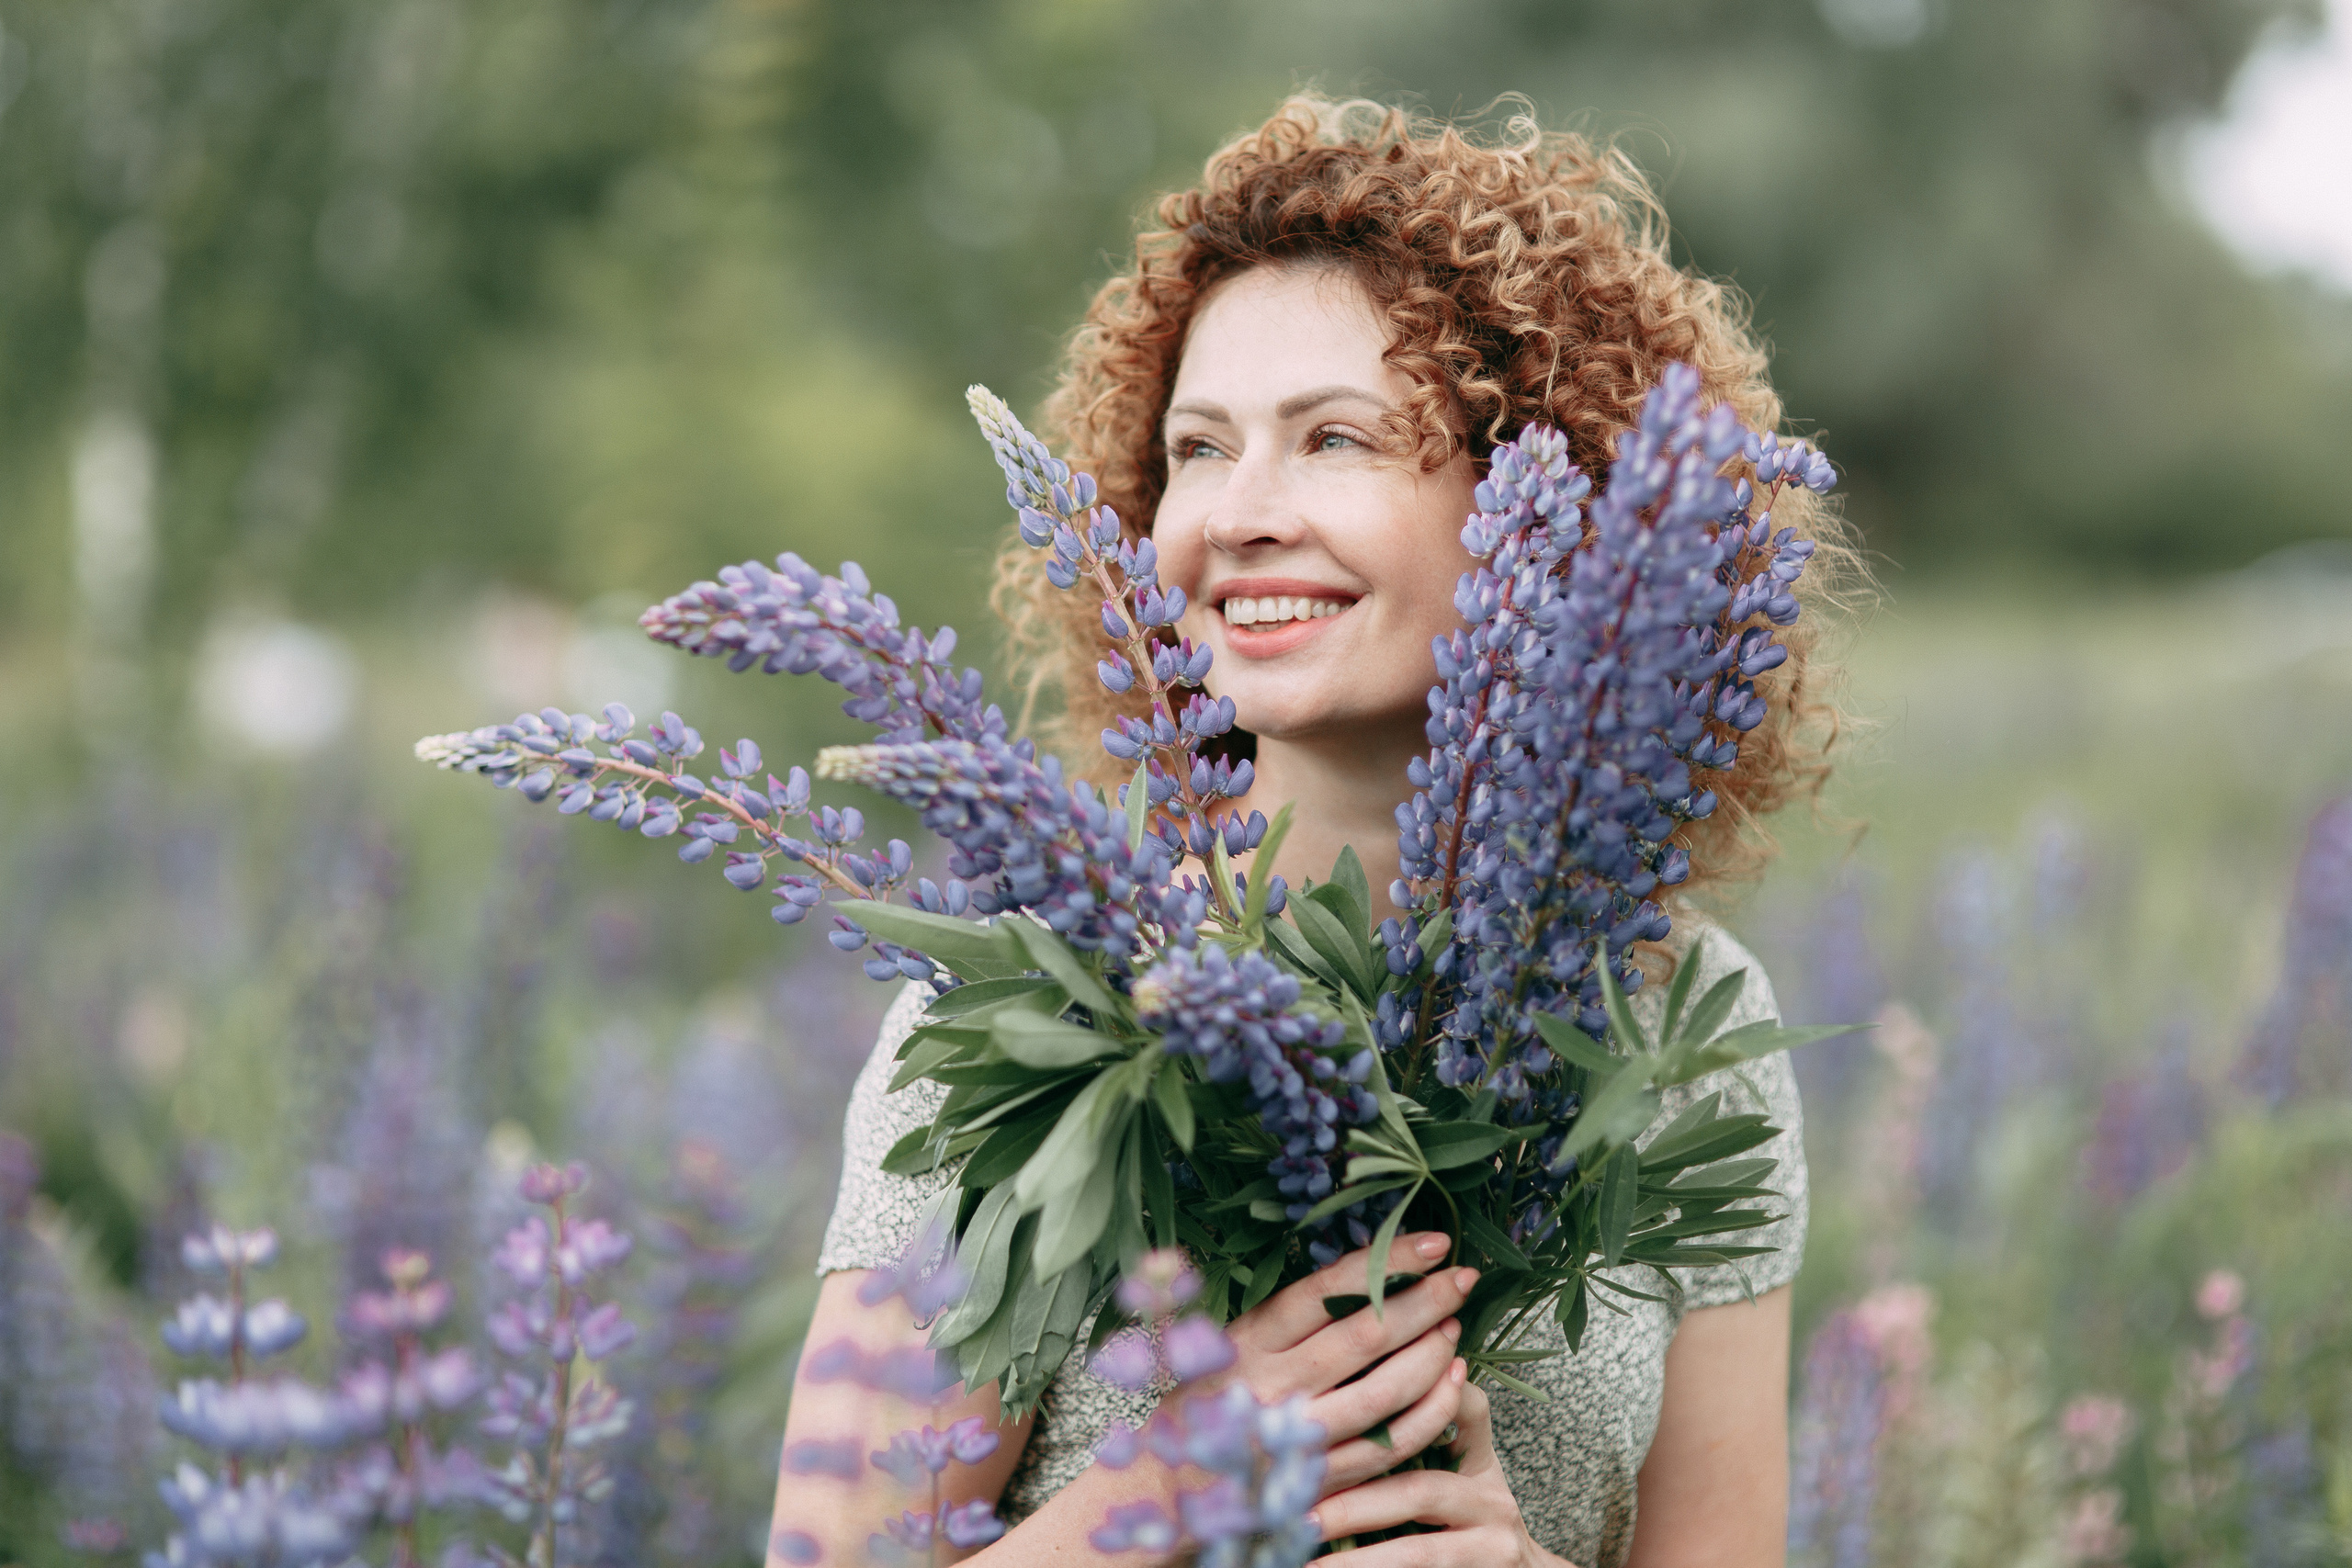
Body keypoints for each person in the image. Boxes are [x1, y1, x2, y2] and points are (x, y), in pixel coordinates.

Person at [771, 96, 1855, 1567]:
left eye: (1334, 438)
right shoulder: (1031, 998)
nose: (1242, 514)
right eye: (1200, 451)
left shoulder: (1682, 1022)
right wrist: (1168, 1494)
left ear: (1542, 495)